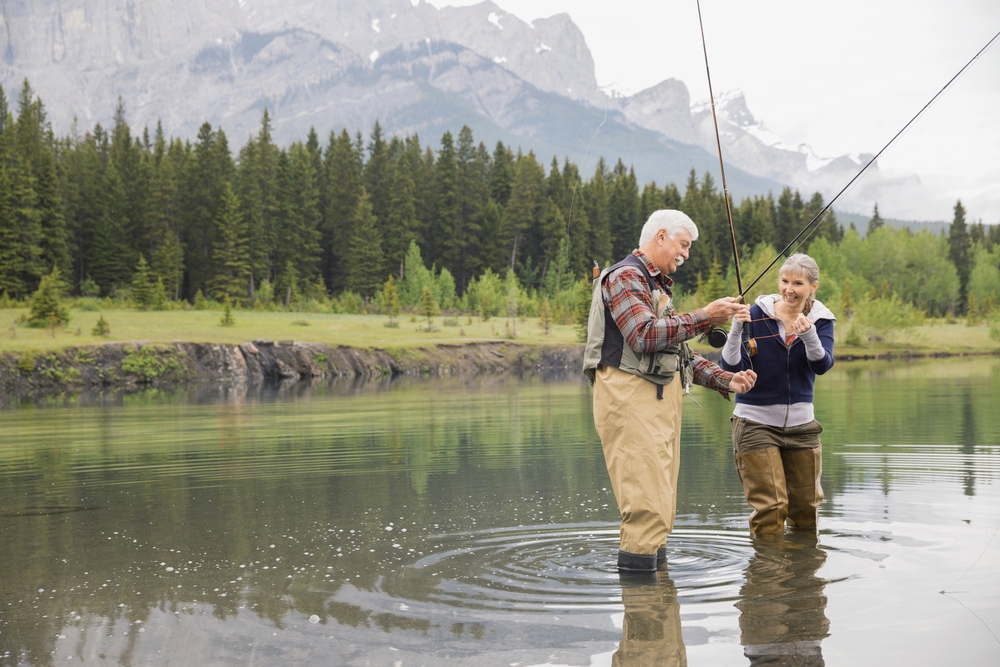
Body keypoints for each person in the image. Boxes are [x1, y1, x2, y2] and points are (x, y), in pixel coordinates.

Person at [584, 209, 756, 573]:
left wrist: (726, 379)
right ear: (660, 237)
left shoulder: (654, 285)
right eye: (683, 245)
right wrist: (707, 316)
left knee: (660, 506)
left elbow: (678, 354)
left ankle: (656, 610)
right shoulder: (626, 276)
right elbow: (644, 335)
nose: (686, 254)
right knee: (645, 508)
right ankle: (644, 612)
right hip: (631, 405)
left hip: (656, 407)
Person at [721, 253, 835, 536]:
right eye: (785, 281)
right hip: (754, 424)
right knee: (771, 509)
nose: (789, 289)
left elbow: (822, 365)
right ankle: (767, 577)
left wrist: (809, 336)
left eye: (798, 283)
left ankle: (804, 575)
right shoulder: (756, 314)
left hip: (803, 427)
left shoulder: (821, 319)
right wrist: (736, 327)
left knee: (806, 509)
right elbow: (730, 365)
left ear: (813, 287)